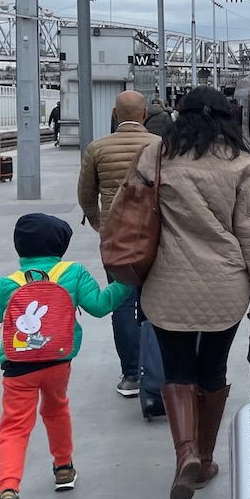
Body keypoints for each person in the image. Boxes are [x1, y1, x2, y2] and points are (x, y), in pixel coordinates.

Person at [124, 85, 250, 499]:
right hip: (224, 286)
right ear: (227, 117)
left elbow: (129, 212)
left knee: (176, 372)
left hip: (166, 284)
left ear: (179, 115)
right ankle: (205, 460)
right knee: (212, 370)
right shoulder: (243, 164)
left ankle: (185, 453)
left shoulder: (154, 157)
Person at [0, 213, 131, 499]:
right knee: (56, 409)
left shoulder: (10, 282)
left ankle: (8, 491)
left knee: (14, 428)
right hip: (57, 363)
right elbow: (101, 305)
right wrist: (128, 282)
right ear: (61, 245)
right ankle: (63, 468)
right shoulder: (73, 273)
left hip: (18, 368)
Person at [76, 91, 161, 398]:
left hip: (116, 239)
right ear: (145, 114)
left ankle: (131, 376)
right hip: (155, 237)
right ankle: (157, 372)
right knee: (154, 303)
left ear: (114, 113)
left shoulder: (97, 148)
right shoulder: (159, 146)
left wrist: (100, 221)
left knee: (123, 303)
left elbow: (85, 195)